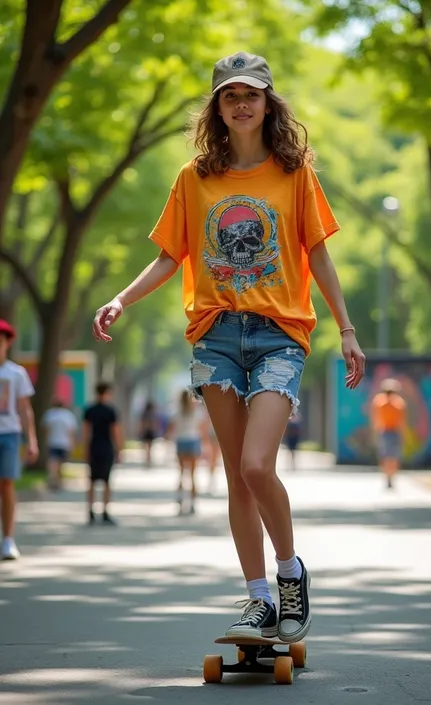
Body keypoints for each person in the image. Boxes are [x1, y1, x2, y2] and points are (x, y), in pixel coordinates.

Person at [92, 51, 365, 643]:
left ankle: (290, 575)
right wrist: (121, 299)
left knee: (255, 465)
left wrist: (345, 330)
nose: (242, 104)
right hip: (214, 336)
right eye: (230, 95)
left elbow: (317, 253)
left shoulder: (295, 175)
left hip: (279, 334)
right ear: (218, 107)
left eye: (253, 94)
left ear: (269, 104)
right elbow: (172, 254)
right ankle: (258, 599)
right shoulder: (195, 178)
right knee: (237, 481)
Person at [0, 320, 38, 560]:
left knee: (7, 485)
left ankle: (8, 540)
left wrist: (31, 440)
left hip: (10, 435)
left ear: (7, 343)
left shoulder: (16, 373)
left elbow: (25, 409)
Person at [83, 382, 123, 525]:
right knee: (106, 481)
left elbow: (86, 432)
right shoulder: (110, 411)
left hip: (94, 447)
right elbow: (115, 432)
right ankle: (105, 511)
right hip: (106, 448)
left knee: (92, 481)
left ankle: (91, 511)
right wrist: (119, 450)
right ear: (106, 393)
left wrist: (85, 449)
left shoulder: (89, 410)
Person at [167, 391, 204, 514]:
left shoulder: (176, 413)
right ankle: (193, 503)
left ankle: (180, 499)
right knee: (193, 474)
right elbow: (202, 429)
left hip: (181, 441)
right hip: (193, 441)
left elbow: (171, 429)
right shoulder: (196, 413)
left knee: (182, 473)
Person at [370, 378, 406, 489]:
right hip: (390, 431)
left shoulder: (379, 401)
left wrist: (375, 433)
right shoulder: (398, 402)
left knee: (387, 456)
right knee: (391, 456)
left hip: (386, 431)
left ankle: (388, 476)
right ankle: (390, 476)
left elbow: (375, 419)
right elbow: (402, 421)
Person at [42, 398, 78, 490]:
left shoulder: (49, 414)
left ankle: (54, 478)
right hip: (64, 443)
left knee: (53, 461)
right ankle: (59, 481)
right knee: (61, 463)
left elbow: (45, 429)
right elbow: (71, 431)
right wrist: (72, 443)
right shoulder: (68, 415)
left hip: (52, 441)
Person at [202, 410, 221, 494]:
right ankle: (211, 480)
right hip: (213, 434)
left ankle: (212, 480)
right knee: (213, 459)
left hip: (216, 434)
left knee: (214, 459)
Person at [139, 400, 157, 467]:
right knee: (149, 446)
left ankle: (147, 457)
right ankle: (148, 457)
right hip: (150, 431)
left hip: (146, 431)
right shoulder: (152, 414)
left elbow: (142, 423)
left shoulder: (144, 414)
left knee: (146, 445)